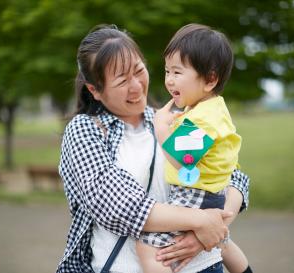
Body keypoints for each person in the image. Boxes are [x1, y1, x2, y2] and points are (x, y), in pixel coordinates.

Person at [56, 24, 250, 273]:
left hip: (205, 265)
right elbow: (118, 205)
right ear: (95, 90)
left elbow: (232, 174)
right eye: (122, 80)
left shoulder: (171, 118)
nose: (136, 86)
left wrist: (210, 231)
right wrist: (201, 221)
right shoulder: (85, 130)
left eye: (139, 71)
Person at [137, 23, 252, 273]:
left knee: (147, 245)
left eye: (178, 72)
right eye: (167, 71)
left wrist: (161, 129)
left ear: (210, 79)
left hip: (196, 193)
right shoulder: (209, 109)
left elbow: (183, 160)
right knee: (221, 240)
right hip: (209, 191)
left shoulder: (203, 118)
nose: (169, 80)